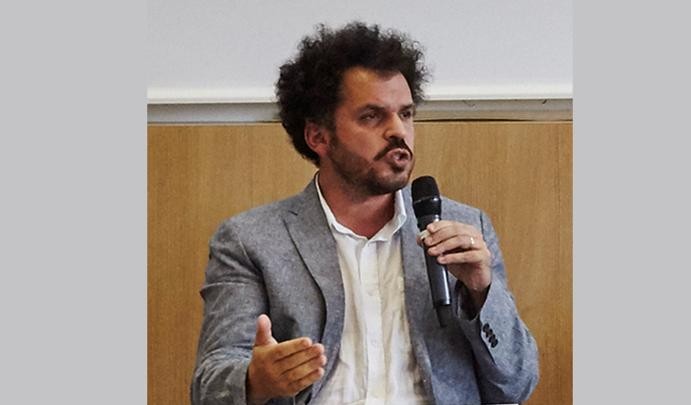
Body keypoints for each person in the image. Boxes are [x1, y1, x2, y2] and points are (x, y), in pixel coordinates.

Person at [191, 21, 539, 405]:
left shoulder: (465, 230)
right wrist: (255, 379)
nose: (398, 132)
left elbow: (516, 384)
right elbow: (208, 386)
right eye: (372, 117)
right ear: (318, 136)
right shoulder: (251, 240)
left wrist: (482, 292)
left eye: (406, 114)